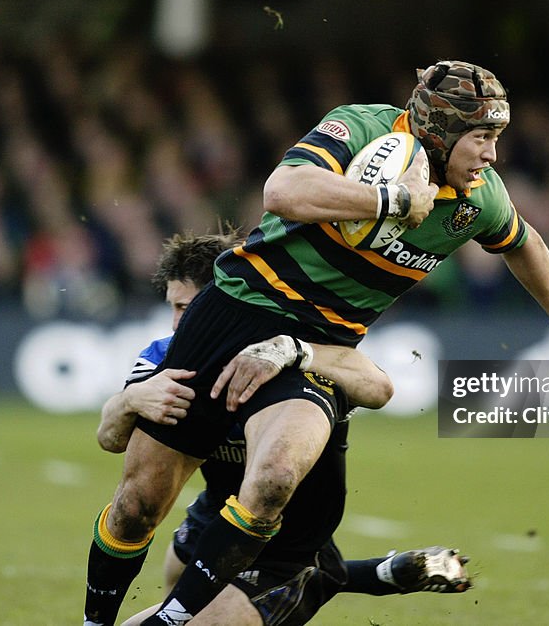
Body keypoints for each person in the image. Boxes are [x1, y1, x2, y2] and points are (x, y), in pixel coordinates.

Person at [85, 60, 549, 625]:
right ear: (440, 131)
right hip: (236, 311)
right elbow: (281, 190)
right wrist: (390, 202)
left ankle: (171, 622)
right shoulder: (362, 128)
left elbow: (522, 240)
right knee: (138, 507)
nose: (492, 155)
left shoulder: (479, 198)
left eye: (496, 138)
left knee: (277, 476)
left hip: (317, 349)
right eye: (482, 138)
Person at [86, 230, 471, 626]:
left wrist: (297, 351)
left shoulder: (291, 352)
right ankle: (378, 573)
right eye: (173, 307)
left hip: (287, 549)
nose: (177, 322)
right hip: (213, 519)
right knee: (174, 575)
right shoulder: (163, 357)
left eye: (187, 308)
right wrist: (128, 401)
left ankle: (344, 576)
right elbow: (109, 440)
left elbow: (380, 387)